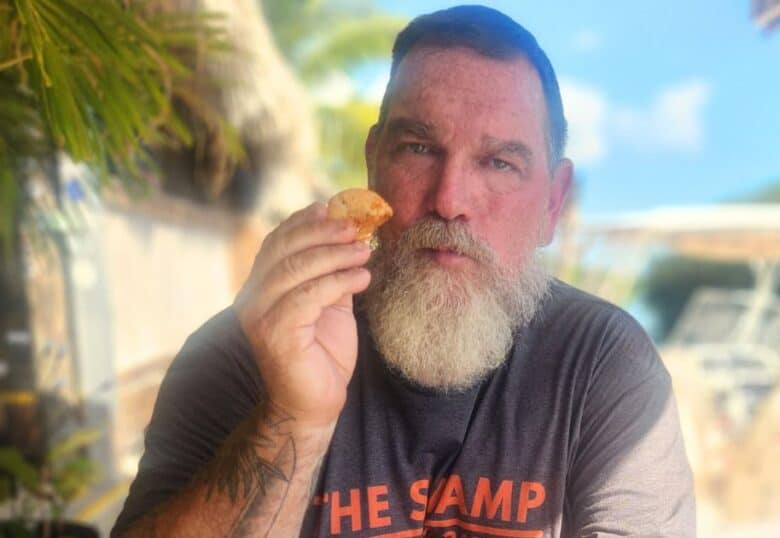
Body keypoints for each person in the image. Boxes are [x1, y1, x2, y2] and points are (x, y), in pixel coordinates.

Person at [113, 5, 695, 537]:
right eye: (418, 147)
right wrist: (293, 418)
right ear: (373, 165)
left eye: (499, 162)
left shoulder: (599, 361)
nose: (450, 199)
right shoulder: (247, 349)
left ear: (551, 203)